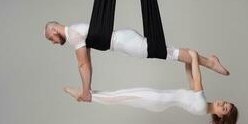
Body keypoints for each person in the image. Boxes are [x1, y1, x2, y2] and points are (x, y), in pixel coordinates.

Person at [63, 49, 238, 124]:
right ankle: (86, 95)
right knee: (121, 96)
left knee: (120, 97)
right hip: (157, 99)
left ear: (221, 116)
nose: (222, 103)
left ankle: (85, 96)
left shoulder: (201, 104)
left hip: (155, 98)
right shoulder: (201, 102)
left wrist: (193, 56)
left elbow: (197, 77)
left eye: (224, 108)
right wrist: (189, 59)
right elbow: (191, 78)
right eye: (226, 103)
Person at [44, 21, 230, 102]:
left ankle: (210, 62)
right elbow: (87, 61)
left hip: (126, 43)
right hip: (124, 42)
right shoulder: (75, 30)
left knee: (167, 53)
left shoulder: (73, 35)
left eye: (50, 39)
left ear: (53, 30)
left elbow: (83, 64)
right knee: (167, 52)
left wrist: (85, 92)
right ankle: (208, 62)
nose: (52, 42)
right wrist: (87, 89)